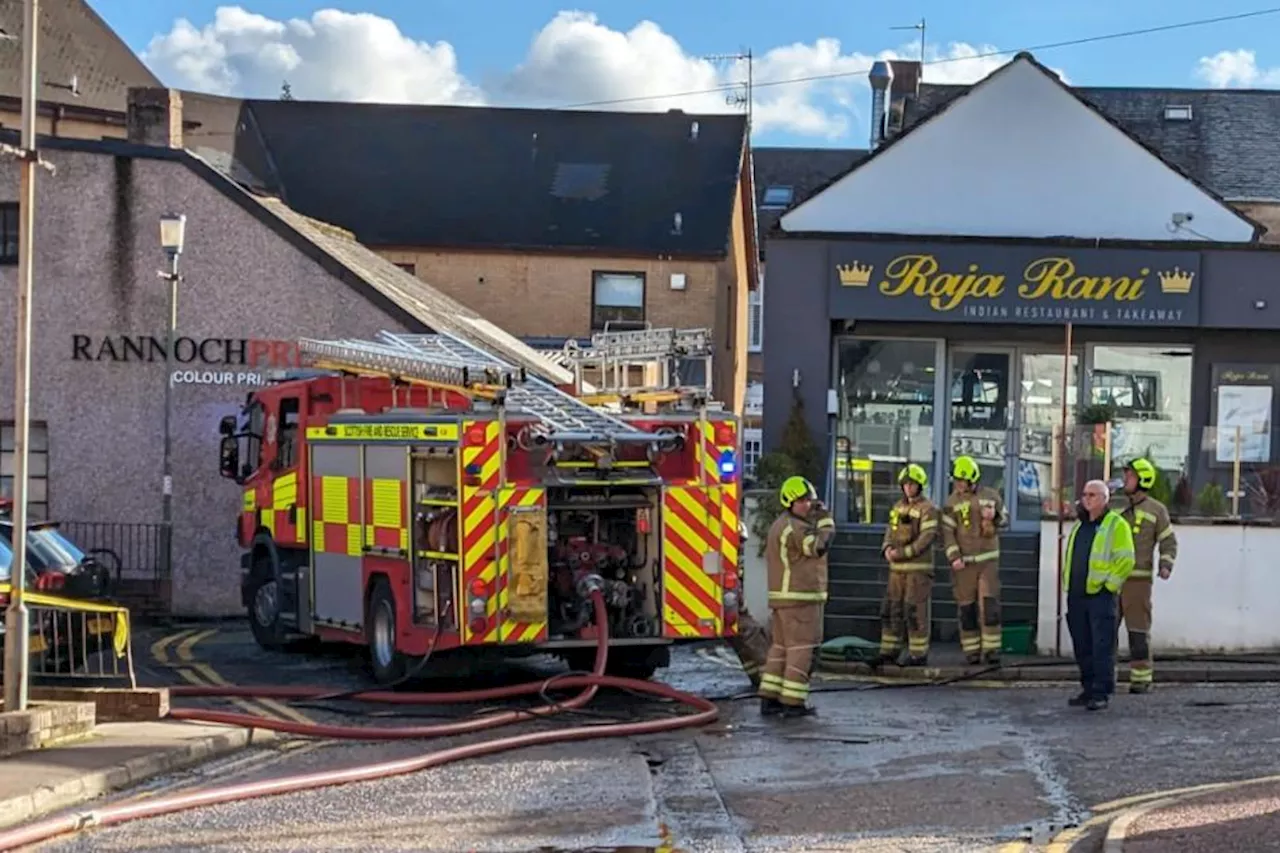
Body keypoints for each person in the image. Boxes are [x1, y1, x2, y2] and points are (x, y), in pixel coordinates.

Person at [759, 475, 836, 718]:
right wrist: (826, 521)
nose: (808, 505)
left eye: (809, 500)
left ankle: (769, 698)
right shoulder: (797, 527)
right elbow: (818, 547)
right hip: (800, 597)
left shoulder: (781, 524)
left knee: (780, 649)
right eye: (802, 501)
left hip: (784, 598)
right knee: (803, 649)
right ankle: (793, 702)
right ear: (789, 502)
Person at [1064, 480, 1135, 711]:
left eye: (1092, 495)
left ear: (1105, 499)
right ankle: (1087, 688)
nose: (1087, 499)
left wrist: (1109, 586)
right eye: (1084, 494)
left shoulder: (1116, 524)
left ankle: (1101, 692)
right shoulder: (1080, 525)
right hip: (1077, 595)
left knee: (1101, 646)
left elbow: (1126, 559)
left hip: (1100, 596)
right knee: (1082, 645)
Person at [1116, 457, 1178, 694]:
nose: (1125, 480)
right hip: (1111, 579)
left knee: (1138, 631)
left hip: (1138, 582)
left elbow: (1169, 541)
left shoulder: (1156, 510)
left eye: (1129, 476)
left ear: (1142, 479)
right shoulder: (1117, 506)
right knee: (1105, 631)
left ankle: (1141, 678)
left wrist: (1165, 565)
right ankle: (1104, 678)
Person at [941, 455, 1008, 666]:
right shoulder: (951, 502)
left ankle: (991, 650)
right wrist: (954, 557)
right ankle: (971, 651)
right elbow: (947, 533)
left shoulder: (991, 495)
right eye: (956, 481)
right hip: (964, 564)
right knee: (967, 608)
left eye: (962, 481)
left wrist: (995, 515)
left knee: (989, 606)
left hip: (988, 561)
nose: (959, 485)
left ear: (973, 479)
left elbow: (1006, 520)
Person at [876, 463, 940, 667]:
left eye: (912, 484)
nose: (908, 488)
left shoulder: (928, 509)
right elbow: (890, 531)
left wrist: (902, 553)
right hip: (896, 571)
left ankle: (918, 654)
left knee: (914, 611)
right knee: (891, 609)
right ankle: (889, 651)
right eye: (905, 484)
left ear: (920, 486)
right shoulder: (898, 507)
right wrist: (886, 548)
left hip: (917, 571)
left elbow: (926, 538)